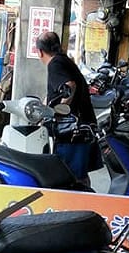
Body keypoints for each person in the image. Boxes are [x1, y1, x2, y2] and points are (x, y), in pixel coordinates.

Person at [35, 31, 97, 184]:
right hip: (81, 127)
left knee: (70, 176)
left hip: (71, 129)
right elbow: (58, 90)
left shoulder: (55, 64)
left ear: (40, 52)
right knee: (78, 175)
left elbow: (70, 85)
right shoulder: (64, 61)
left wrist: (60, 112)